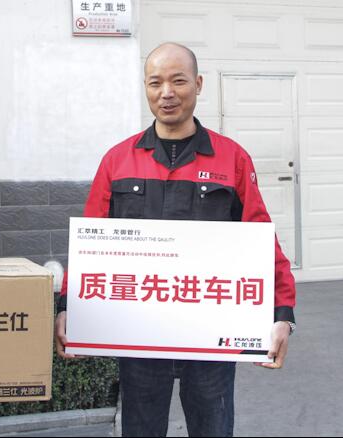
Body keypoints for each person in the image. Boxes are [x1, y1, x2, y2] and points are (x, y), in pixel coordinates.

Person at [55, 43, 297, 437]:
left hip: (211, 335)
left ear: (198, 84)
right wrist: (69, 307)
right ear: (146, 88)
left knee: (213, 428)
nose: (166, 92)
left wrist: (282, 314)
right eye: (155, 83)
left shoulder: (232, 159)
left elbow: (260, 238)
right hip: (139, 334)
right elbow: (90, 244)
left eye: (178, 81)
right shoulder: (117, 160)